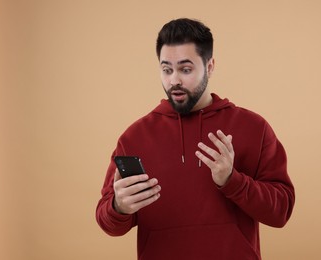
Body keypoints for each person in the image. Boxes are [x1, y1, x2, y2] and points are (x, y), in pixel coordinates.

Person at [96, 18, 295, 260]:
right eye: (166, 69)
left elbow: (281, 212)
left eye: (185, 69)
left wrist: (233, 181)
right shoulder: (134, 138)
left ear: (209, 66)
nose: (174, 80)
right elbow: (109, 223)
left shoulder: (253, 128)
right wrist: (119, 207)